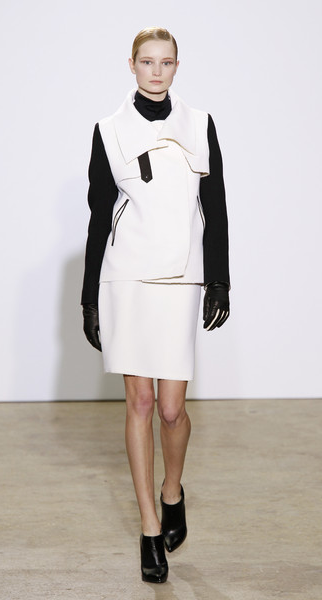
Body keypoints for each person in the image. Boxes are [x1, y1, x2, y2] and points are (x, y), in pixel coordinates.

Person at [81, 27, 230, 583]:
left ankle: (172, 491)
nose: (157, 72)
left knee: (171, 409)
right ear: (132, 65)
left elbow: (215, 206)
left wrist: (219, 279)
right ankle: (149, 528)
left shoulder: (201, 124)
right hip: (126, 275)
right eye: (147, 62)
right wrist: (89, 295)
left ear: (176, 67)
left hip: (181, 276)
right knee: (140, 402)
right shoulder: (109, 130)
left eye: (166, 62)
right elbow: (99, 215)